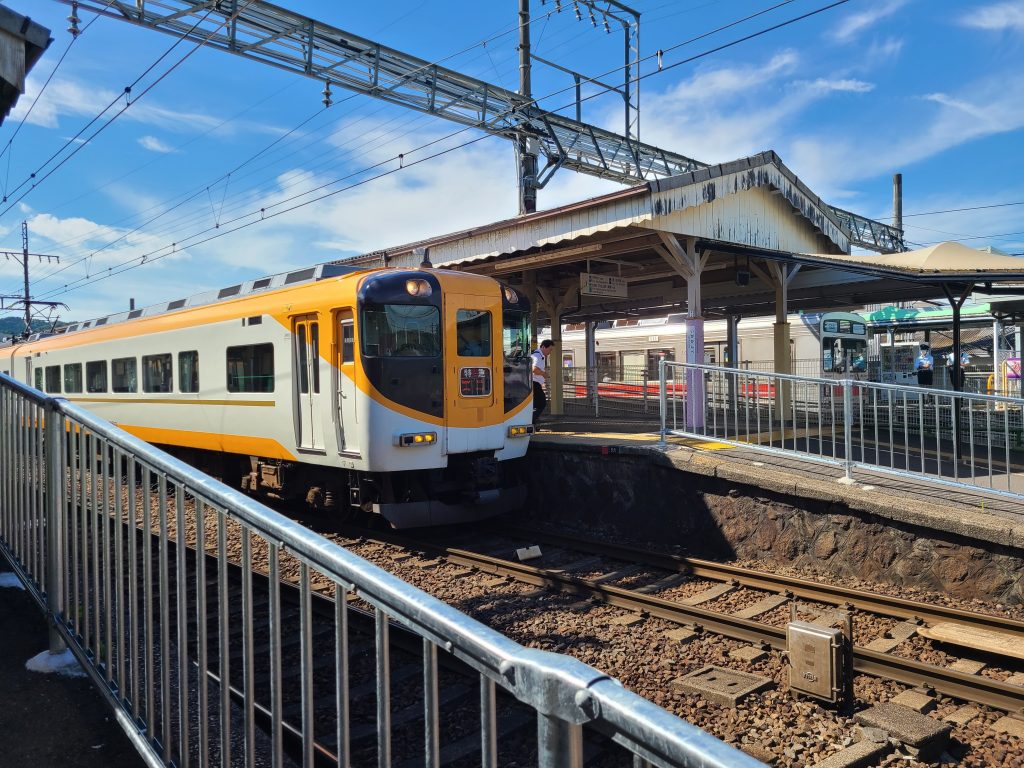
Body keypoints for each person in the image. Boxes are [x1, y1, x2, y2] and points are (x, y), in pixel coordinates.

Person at [531, 339, 553, 424]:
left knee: (537, 403)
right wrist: (544, 374)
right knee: (542, 403)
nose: (550, 352)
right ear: (543, 347)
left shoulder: (539, 355)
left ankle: (533, 419)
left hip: (536, 383)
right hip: (534, 383)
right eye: (549, 349)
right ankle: (532, 420)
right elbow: (534, 369)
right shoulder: (537, 356)